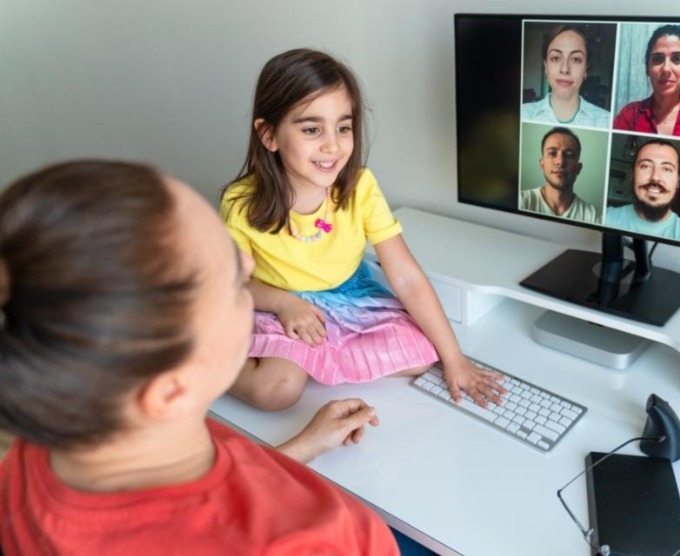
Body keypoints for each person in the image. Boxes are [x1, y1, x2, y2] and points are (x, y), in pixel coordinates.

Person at [0, 161, 399, 554]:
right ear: (172, 389)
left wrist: (304, 447)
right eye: (236, 283)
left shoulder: (38, 451)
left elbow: (203, 505)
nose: (249, 263)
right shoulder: (327, 541)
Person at [221, 49, 506, 412]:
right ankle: (209, 360)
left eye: (343, 127)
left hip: (349, 298)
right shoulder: (242, 201)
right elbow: (236, 285)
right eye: (312, 129)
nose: (333, 145)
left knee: (423, 356)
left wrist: (456, 358)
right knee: (276, 390)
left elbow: (406, 278)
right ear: (269, 135)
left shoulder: (360, 186)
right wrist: (284, 303)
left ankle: (312, 357)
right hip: (277, 303)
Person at [613, 24, 680, 140]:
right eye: (657, 59)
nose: (666, 69)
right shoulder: (629, 115)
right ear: (647, 69)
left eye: (677, 59)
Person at [605, 139, 680, 243]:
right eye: (645, 166)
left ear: (677, 181)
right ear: (632, 175)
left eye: (666, 169)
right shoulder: (605, 217)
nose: (655, 177)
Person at [521, 25, 610, 128]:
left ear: (585, 69)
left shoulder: (606, 121)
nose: (565, 69)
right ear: (546, 66)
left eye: (576, 59)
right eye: (555, 58)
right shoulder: (523, 113)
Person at [519, 127, 600, 224]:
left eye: (569, 155)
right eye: (552, 153)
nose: (560, 162)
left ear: (578, 168)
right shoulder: (522, 201)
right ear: (542, 164)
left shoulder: (592, 215)